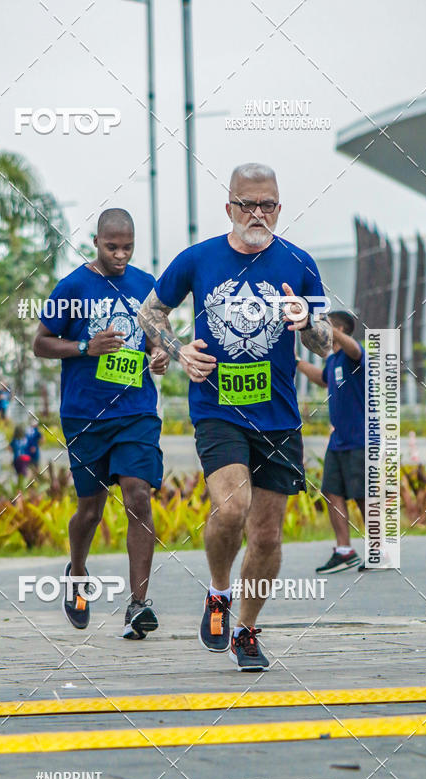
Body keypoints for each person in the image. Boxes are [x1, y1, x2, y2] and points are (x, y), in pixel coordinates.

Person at [138, 163, 331, 671]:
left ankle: (247, 629)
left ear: (279, 208)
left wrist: (306, 321)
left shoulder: (299, 262)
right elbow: (149, 313)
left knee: (267, 536)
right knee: (230, 509)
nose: (258, 213)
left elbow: (327, 340)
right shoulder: (198, 259)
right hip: (217, 409)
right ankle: (218, 591)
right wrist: (179, 350)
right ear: (229, 207)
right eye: (248, 204)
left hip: (279, 417)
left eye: (267, 204)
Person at [33, 208, 169, 639]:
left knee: (138, 496)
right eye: (112, 247)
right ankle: (76, 573)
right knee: (90, 511)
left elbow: (156, 340)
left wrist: (160, 354)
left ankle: (138, 605)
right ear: (96, 242)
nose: (121, 255)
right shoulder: (72, 286)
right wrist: (84, 346)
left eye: (128, 247)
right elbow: (40, 343)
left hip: (136, 411)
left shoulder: (147, 285)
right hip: (85, 414)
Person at [296, 311, 366, 573]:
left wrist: (330, 329)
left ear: (338, 329)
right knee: (332, 491)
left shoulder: (352, 355)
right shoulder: (334, 359)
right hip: (338, 440)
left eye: (327, 326)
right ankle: (344, 550)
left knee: (362, 496)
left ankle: (380, 550)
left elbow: (356, 348)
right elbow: (323, 380)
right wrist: (296, 363)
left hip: (360, 438)